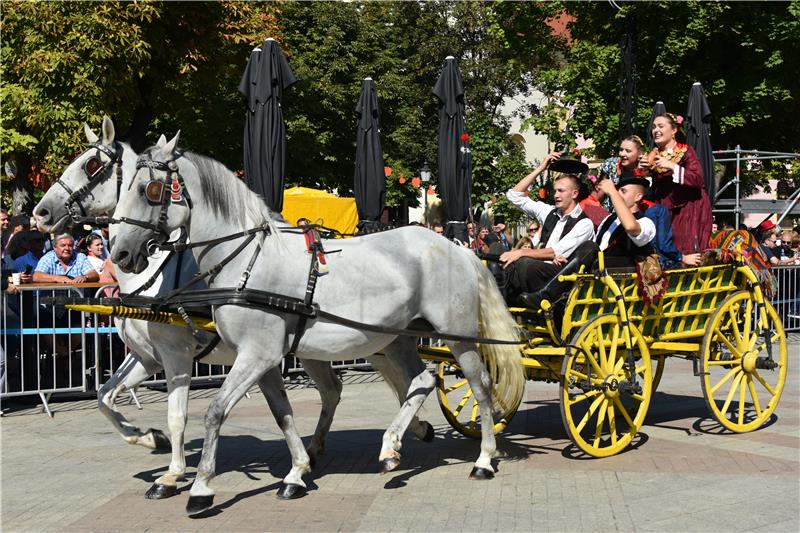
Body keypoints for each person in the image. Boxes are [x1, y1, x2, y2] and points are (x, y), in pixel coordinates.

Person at [517, 176, 657, 308]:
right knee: (529, 265)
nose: (618, 194)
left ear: (638, 197)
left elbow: (630, 226)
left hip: (618, 280)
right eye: (618, 190)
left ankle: (547, 294)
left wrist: (613, 192)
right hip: (591, 276)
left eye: (623, 191)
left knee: (590, 246)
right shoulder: (607, 218)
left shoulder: (646, 222)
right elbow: (583, 204)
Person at [501, 151, 594, 302]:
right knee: (496, 254)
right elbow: (514, 196)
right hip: (539, 270)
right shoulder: (549, 212)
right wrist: (540, 169)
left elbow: (554, 252)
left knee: (524, 263)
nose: (556, 195)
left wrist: (520, 252)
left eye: (561, 191)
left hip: (561, 279)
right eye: (555, 190)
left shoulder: (584, 223)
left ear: (574, 193)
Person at [648, 113, 712, 255]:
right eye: (653, 127)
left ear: (674, 130)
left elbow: (698, 178)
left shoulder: (686, 151)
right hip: (664, 208)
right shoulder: (653, 154)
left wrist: (672, 166)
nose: (655, 130)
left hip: (689, 208)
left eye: (660, 126)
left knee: (686, 248)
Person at [33, 234, 99, 284]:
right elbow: (36, 276)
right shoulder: (48, 258)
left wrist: (85, 277)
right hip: (52, 300)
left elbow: (94, 274)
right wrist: (57, 278)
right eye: (63, 245)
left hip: (75, 300)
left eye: (70, 245)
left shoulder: (80, 257)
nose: (67, 248)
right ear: (55, 247)